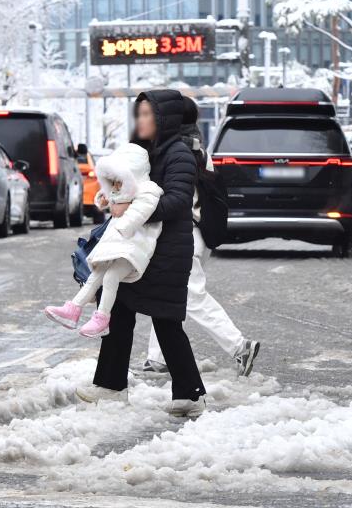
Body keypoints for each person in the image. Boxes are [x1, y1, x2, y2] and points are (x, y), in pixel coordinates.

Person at [76, 89, 207, 417]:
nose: (142, 120)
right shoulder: (147, 152)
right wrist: (111, 196)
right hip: (142, 246)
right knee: (120, 309)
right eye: (140, 114)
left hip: (168, 250)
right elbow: (126, 187)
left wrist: (132, 206)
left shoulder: (178, 153)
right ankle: (110, 386)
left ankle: (190, 394)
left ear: (164, 118)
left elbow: (177, 200)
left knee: (166, 321)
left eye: (148, 114)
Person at [143, 97, 260, 377]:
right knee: (166, 294)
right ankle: (157, 357)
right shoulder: (198, 149)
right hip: (200, 234)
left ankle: (239, 346)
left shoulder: (171, 150)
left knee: (190, 296)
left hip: (184, 235)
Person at [44, 143, 163, 338]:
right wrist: (108, 198)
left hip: (134, 246)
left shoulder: (148, 189)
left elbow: (141, 211)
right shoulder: (121, 187)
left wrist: (124, 221)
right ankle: (73, 308)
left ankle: (102, 317)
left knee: (110, 276)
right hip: (117, 244)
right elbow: (107, 198)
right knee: (96, 273)